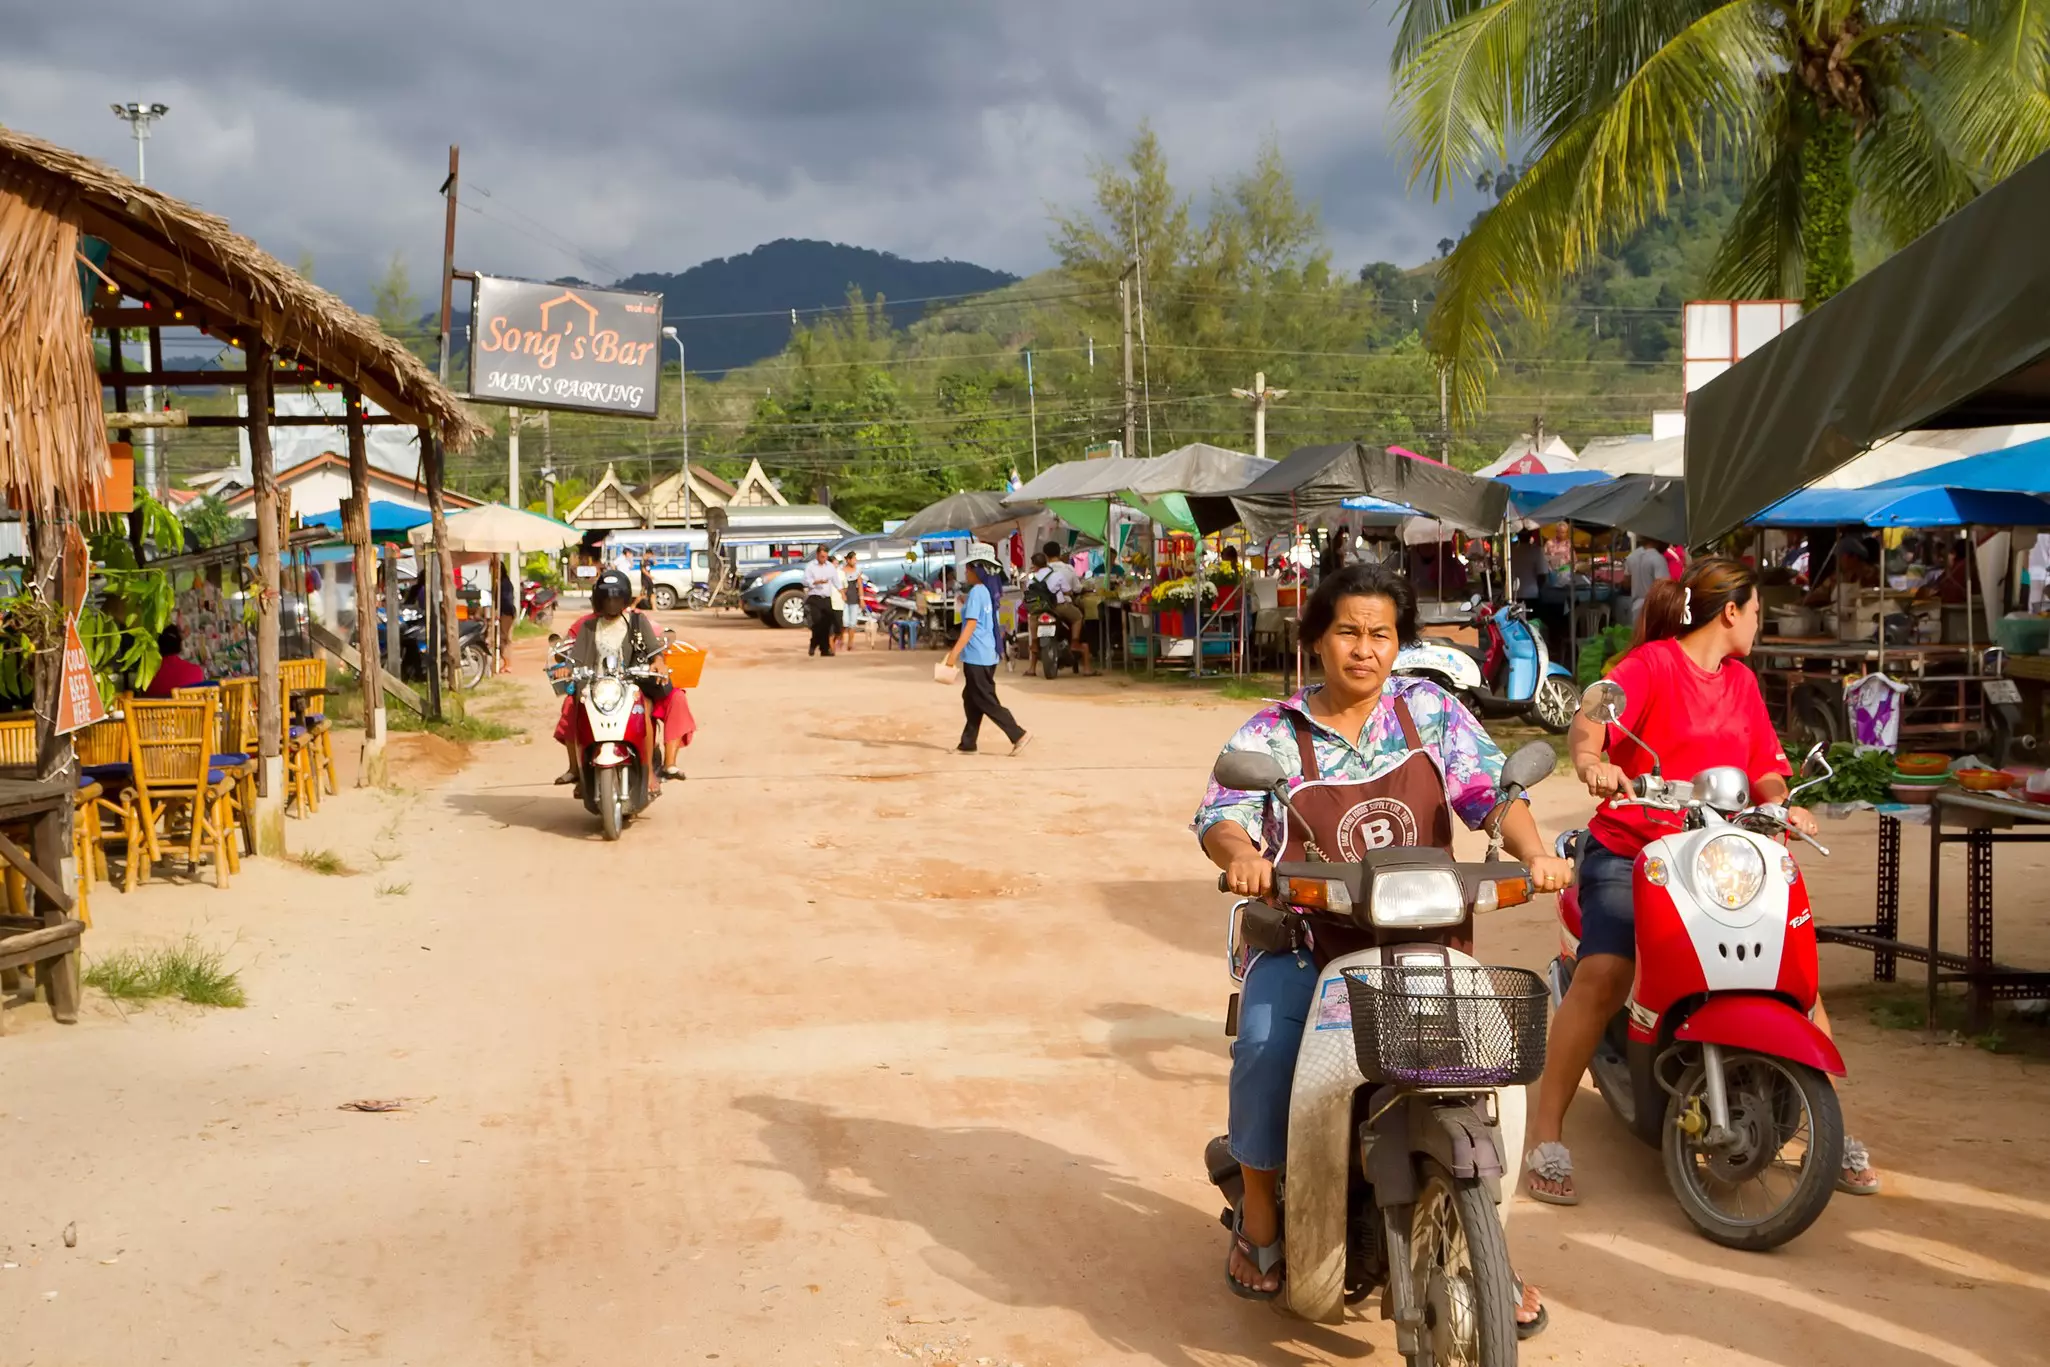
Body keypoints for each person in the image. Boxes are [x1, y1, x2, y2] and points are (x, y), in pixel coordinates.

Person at [1194, 562, 1570, 1326]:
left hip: (1426, 942)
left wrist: (1533, 852)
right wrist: (1239, 853)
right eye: (1347, 631)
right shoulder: (1274, 731)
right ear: (1317, 637)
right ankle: (1261, 1220)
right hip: (1311, 943)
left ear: (1398, 643)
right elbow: (1222, 813)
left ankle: (1483, 1240)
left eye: (1380, 634)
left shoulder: (1428, 712)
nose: (1363, 649)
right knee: (1264, 1045)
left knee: (1486, 1075)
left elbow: (1494, 793)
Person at [1525, 556, 1880, 1205]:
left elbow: (1767, 765)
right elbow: (1591, 716)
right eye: (1758, 613)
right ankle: (1544, 1135)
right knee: (1606, 971)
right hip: (1634, 845)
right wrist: (1592, 762)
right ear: (1732, 611)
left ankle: (1833, 1127)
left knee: (1793, 969)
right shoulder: (1654, 664)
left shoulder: (1741, 681)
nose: (1759, 625)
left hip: (1718, 853)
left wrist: (1785, 799)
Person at [552, 570, 691, 787]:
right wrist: (566, 668)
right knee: (571, 705)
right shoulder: (588, 626)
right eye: (607, 597)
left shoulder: (637, 620)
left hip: (632, 682)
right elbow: (575, 657)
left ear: (625, 598)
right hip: (596, 685)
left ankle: (657, 771)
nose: (611, 602)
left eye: (616, 597)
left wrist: (658, 663)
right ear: (599, 599)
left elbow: (654, 651)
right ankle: (578, 769)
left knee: (647, 707)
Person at [941, 542, 1031, 756]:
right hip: (986, 653)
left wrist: (953, 654)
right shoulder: (988, 592)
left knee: (985, 699)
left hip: (977, 655)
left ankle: (1017, 734)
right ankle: (968, 743)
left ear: (977, 569)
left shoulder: (977, 592)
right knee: (971, 697)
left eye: (969, 568)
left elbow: (971, 625)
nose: (966, 572)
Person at [1029, 541, 1092, 674]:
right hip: (1059, 606)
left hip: (1040, 608)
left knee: (1033, 621)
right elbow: (1074, 589)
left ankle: (1032, 665)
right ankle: (1075, 642)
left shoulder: (1035, 576)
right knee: (1078, 617)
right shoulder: (1067, 570)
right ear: (1059, 553)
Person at [801, 546, 842, 658]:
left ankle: (824, 649)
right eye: (822, 556)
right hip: (815, 597)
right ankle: (814, 644)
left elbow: (836, 581)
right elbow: (805, 580)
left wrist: (842, 592)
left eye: (825, 557)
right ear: (817, 555)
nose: (823, 558)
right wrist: (815, 582)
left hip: (826, 598)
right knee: (817, 622)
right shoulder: (811, 566)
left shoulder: (830, 567)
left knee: (826, 623)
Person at [1623, 535, 1672, 628]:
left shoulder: (1631, 556)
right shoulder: (1658, 559)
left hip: (1636, 606)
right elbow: (1664, 586)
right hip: (1653, 607)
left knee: (1638, 638)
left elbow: (1626, 583)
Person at [142, 626, 206, 697]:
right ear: (180, 645)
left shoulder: (147, 676)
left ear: (158, 646)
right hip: (187, 708)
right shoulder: (196, 671)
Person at [839, 551, 864, 651]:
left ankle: (850, 643)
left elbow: (860, 586)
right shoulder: (841, 571)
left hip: (854, 598)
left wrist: (861, 599)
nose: (855, 561)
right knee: (844, 622)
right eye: (853, 559)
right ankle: (841, 639)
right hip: (844, 599)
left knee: (852, 623)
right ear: (848, 560)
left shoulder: (857, 571)